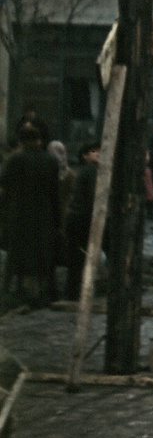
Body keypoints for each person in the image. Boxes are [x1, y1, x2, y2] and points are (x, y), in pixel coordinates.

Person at [0, 124, 61, 306]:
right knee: (43, 252)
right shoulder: (50, 161)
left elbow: (3, 183)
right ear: (39, 141)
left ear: (21, 141)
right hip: (43, 213)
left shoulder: (14, 159)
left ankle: (11, 288)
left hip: (18, 213)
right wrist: (57, 220)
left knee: (15, 253)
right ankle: (45, 290)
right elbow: (54, 192)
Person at [64, 142, 101, 302]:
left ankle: (73, 290)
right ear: (85, 155)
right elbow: (94, 197)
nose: (98, 154)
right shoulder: (92, 171)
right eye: (93, 151)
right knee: (81, 256)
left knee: (77, 256)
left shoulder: (86, 170)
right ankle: (77, 291)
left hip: (77, 217)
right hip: (83, 218)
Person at [48, 141, 77, 232]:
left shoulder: (70, 174)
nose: (58, 156)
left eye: (61, 152)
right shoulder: (46, 171)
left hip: (64, 211)